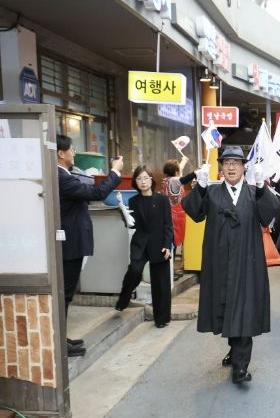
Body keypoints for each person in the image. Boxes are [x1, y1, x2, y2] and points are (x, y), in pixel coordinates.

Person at [182, 146, 280, 384]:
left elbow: (270, 214)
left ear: (244, 167)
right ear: (221, 167)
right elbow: (194, 212)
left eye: (236, 163)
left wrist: (262, 188)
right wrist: (200, 188)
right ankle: (233, 349)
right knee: (226, 306)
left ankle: (240, 366)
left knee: (244, 310)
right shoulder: (212, 191)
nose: (231, 167)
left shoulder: (253, 192)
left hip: (247, 263)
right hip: (219, 263)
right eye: (227, 163)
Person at [56, 134, 123, 357]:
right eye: (72, 149)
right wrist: (115, 172)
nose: (74, 153)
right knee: (65, 295)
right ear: (61, 153)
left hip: (71, 243)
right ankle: (59, 344)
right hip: (69, 244)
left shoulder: (65, 175)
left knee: (67, 294)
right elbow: (97, 193)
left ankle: (61, 339)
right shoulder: (62, 178)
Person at [115, 166, 173, 328]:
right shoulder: (133, 201)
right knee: (134, 270)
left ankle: (161, 319)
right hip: (140, 243)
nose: (143, 181)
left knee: (161, 283)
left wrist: (167, 245)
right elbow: (131, 224)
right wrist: (124, 214)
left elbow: (168, 225)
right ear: (135, 182)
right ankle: (124, 298)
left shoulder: (162, 200)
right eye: (139, 178)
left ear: (151, 180)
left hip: (159, 244)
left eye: (146, 178)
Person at [161, 157, 195, 279]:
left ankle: (171, 270)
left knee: (171, 244)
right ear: (175, 172)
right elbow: (183, 179)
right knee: (172, 245)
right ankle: (170, 271)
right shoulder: (174, 181)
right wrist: (196, 172)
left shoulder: (167, 180)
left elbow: (178, 172)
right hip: (174, 217)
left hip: (168, 216)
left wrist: (184, 161)